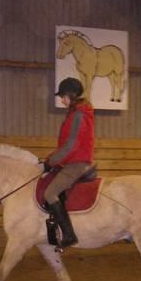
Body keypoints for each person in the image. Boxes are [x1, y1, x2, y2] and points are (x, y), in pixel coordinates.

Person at [42, 77, 95, 248]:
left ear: (71, 95)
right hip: (71, 161)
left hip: (76, 164)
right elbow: (66, 145)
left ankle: (69, 234)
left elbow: (71, 145)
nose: (62, 100)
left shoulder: (79, 114)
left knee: (50, 193)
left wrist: (52, 161)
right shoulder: (75, 113)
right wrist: (51, 159)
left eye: (63, 96)